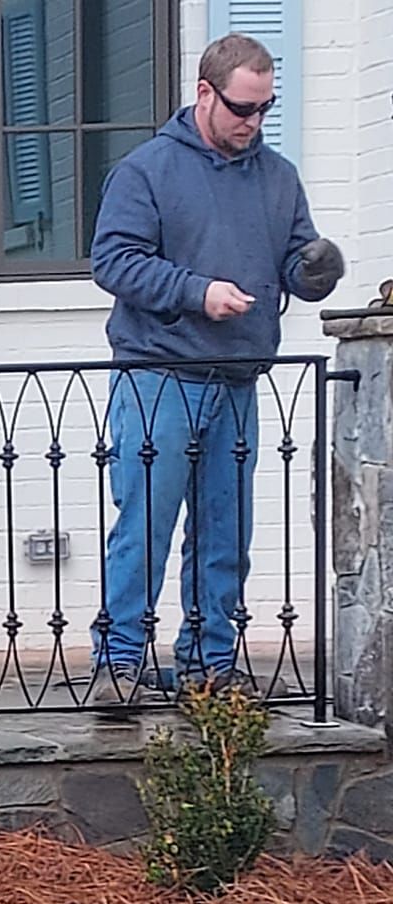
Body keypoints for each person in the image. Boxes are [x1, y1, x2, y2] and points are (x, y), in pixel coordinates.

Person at [87, 32, 345, 709]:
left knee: (226, 531)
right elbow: (113, 261)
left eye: (265, 109)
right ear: (204, 92)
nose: (253, 123)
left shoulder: (278, 177)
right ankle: (117, 662)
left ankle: (210, 662)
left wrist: (315, 270)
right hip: (157, 378)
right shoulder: (146, 172)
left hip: (236, 379)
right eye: (242, 108)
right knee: (146, 523)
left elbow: (293, 262)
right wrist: (197, 291)